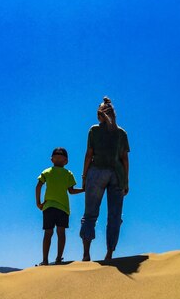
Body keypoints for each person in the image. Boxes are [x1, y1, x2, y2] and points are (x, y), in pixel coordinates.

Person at [79, 97, 130, 262]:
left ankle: (86, 254)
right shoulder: (121, 133)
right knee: (114, 216)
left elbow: (89, 155)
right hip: (117, 174)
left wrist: (84, 176)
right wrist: (126, 181)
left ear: (100, 114)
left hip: (97, 172)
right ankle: (109, 253)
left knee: (90, 214)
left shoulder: (94, 130)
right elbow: (124, 159)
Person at [35, 147, 84, 265]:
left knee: (48, 232)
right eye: (57, 157)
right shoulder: (68, 173)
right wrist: (84, 189)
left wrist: (38, 202)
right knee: (60, 233)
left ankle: (45, 260)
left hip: (49, 206)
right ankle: (58, 259)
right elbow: (71, 191)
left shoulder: (47, 171)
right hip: (62, 208)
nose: (58, 159)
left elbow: (38, 186)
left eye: (59, 157)